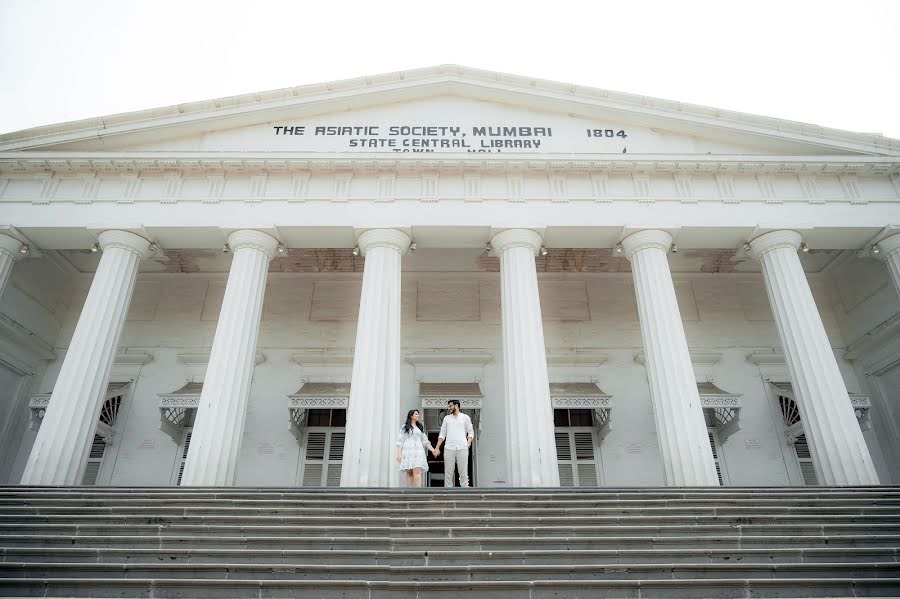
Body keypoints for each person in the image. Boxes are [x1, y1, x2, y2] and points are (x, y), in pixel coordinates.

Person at [434, 399, 474, 487]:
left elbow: (471, 432)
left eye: (450, 406)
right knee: (448, 472)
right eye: (448, 406)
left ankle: (465, 491)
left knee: (463, 472)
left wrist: (468, 443)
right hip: (449, 447)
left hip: (462, 447)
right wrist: (437, 447)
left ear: (456, 406)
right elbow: (442, 434)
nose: (449, 408)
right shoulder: (446, 418)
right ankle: (448, 492)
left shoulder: (465, 417)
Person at [396, 409, 438, 488]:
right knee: (409, 472)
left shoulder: (420, 427)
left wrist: (433, 450)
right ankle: (409, 492)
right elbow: (400, 441)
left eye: (418, 414)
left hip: (418, 451)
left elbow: (425, 441)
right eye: (416, 414)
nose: (418, 415)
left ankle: (418, 492)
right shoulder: (405, 427)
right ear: (411, 416)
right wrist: (399, 454)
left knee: (417, 471)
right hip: (408, 450)